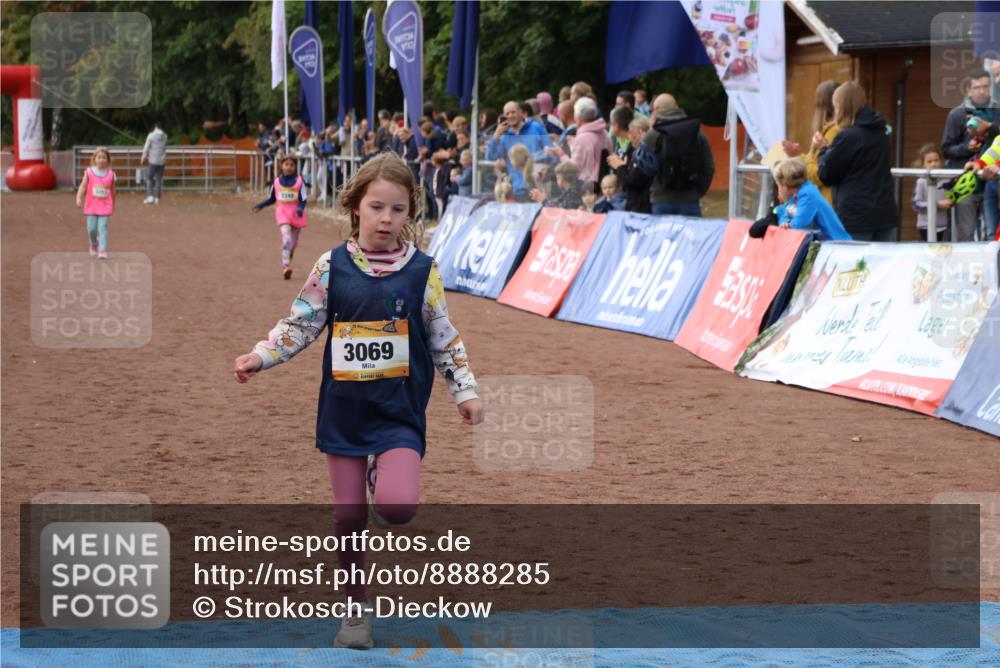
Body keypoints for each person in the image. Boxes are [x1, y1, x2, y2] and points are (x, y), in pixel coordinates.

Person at [234, 153, 482, 651]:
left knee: (397, 507)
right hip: (345, 412)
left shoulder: (424, 273)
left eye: (397, 209)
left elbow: (442, 335)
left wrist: (466, 389)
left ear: (410, 211)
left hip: (398, 412)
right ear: (355, 209)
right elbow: (301, 323)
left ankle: (380, 474)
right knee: (348, 519)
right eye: (376, 208)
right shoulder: (331, 266)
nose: (387, 219)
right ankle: (354, 613)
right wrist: (262, 355)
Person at [818, 82, 897, 241]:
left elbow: (826, 175)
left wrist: (823, 150)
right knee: (881, 265)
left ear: (840, 105)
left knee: (854, 265)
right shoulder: (881, 131)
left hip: (856, 217)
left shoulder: (847, 136)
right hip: (884, 214)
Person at [940, 67, 998, 240]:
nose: (982, 91)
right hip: (967, 183)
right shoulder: (957, 114)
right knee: (965, 234)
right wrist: (967, 148)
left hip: (992, 182)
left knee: (992, 234)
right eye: (977, 87)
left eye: (985, 87)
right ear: (967, 90)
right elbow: (946, 149)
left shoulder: (997, 110)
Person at [640, 93, 715, 217]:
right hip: (690, 198)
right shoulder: (696, 131)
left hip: (660, 200)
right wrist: (698, 191)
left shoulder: (653, 134)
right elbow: (709, 167)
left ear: (656, 110)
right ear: (676, 106)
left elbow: (642, 169)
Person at [252, 156, 308, 280]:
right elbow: (272, 199)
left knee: (293, 244)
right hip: (282, 213)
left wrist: (300, 208)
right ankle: (286, 266)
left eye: (291, 165)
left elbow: (303, 199)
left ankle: (288, 259)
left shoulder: (299, 181)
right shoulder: (276, 182)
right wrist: (260, 206)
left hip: (297, 215)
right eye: (286, 164)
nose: (289, 167)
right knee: (287, 239)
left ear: (295, 167)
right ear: (281, 166)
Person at [785, 80, 840, 204]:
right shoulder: (830, 130)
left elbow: (819, 176)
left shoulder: (833, 132)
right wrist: (802, 155)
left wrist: (798, 157)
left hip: (828, 205)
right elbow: (817, 165)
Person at [772, 158, 851, 240]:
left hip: (836, 244)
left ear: (784, 185)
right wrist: (786, 223)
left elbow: (799, 224)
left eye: (778, 184)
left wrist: (788, 225)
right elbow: (786, 216)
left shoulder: (808, 194)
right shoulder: (795, 195)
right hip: (825, 244)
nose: (778, 189)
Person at [546, 97, 613, 184]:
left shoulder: (582, 138)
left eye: (575, 113)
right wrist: (573, 144)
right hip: (605, 183)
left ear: (579, 117)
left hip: (587, 187)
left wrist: (560, 153)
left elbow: (573, 169)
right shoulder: (605, 133)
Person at [75, 146, 116, 259]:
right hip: (91, 206)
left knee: (103, 227)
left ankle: (102, 249)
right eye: (99, 157)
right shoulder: (89, 172)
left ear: (107, 160)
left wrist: (113, 205)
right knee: (91, 229)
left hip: (105, 206)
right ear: (94, 159)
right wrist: (78, 198)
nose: (101, 159)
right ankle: (94, 244)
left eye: (104, 157)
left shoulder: (111, 174)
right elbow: (83, 187)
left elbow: (113, 191)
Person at [913, 144, 952, 241]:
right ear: (923, 164)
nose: (933, 164)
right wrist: (937, 205)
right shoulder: (921, 182)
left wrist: (950, 202)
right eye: (929, 162)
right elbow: (916, 205)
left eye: (936, 160)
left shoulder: (946, 180)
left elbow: (951, 198)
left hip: (943, 225)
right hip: (925, 226)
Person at [141, 122, 167, 205]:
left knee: (149, 177)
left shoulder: (151, 135)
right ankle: (158, 199)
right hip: (162, 161)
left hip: (153, 161)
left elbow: (146, 148)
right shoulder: (165, 136)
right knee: (159, 179)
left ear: (155, 127)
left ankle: (150, 197)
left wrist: (143, 157)